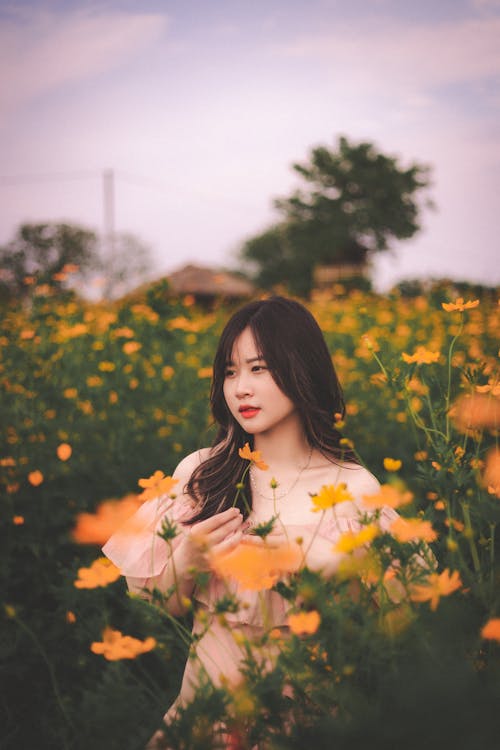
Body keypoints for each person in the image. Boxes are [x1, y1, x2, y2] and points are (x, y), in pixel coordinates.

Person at [103, 296, 399, 747]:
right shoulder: (203, 473)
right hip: (207, 723)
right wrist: (189, 560)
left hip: (311, 730)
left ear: (302, 369)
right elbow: (154, 606)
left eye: (259, 368)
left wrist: (322, 573)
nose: (241, 387)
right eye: (230, 371)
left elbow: (402, 630)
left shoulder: (354, 489)